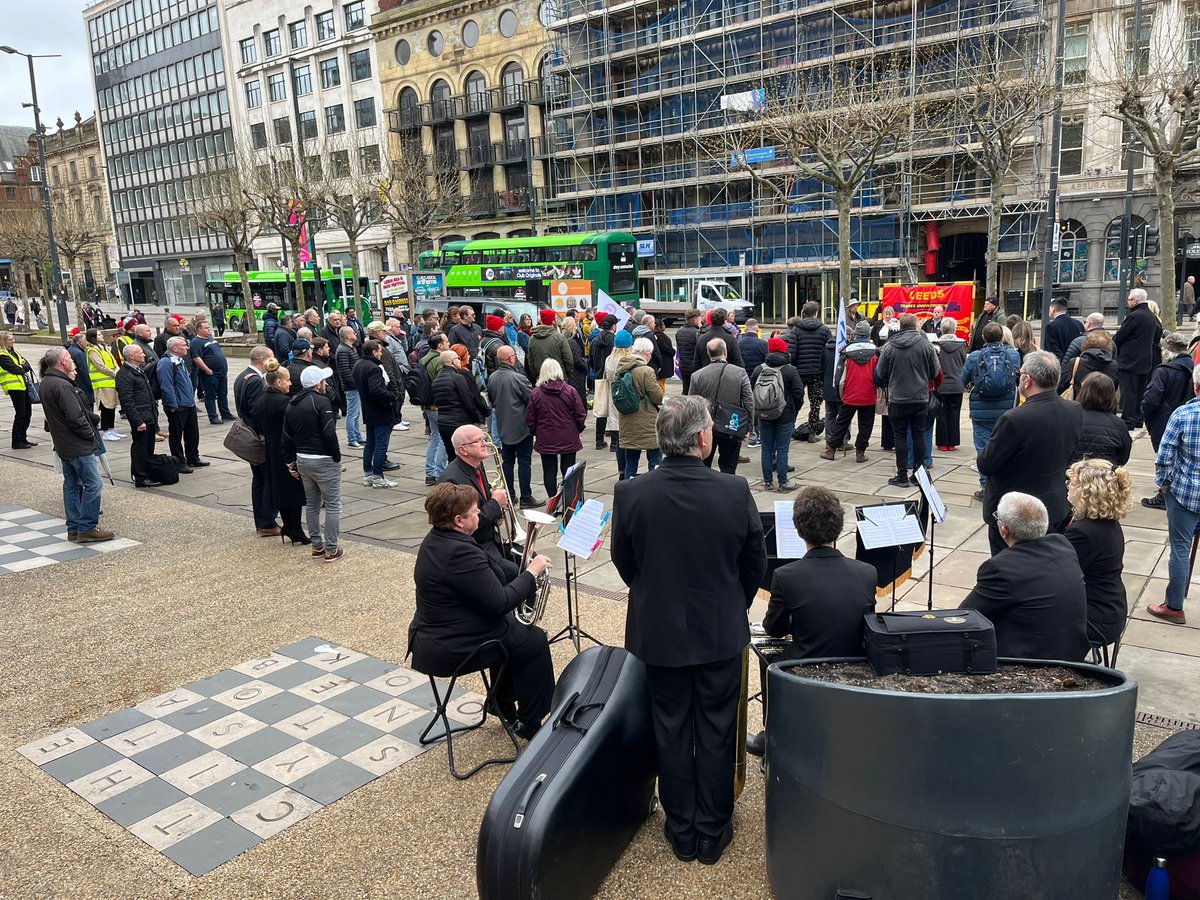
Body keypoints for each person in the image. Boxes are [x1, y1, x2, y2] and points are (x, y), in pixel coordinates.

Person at [612, 395, 767, 866]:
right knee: (718, 730)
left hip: (658, 633)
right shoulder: (734, 490)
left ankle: (681, 829)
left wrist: (655, 598)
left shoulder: (631, 492)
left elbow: (626, 561)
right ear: (703, 439)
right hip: (718, 630)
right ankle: (712, 831)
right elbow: (754, 564)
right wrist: (728, 606)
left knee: (671, 727)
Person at [409, 483, 554, 741]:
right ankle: (532, 723)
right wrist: (532, 572)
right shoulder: (460, 553)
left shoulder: (435, 540)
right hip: (451, 647)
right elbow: (499, 603)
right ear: (458, 520)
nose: (480, 515)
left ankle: (501, 703)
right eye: (475, 512)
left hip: (436, 635)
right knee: (534, 641)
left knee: (513, 631)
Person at [959, 492, 1088, 660]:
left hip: (1032, 663)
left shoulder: (1000, 568)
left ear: (1004, 530)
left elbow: (965, 616)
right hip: (1073, 651)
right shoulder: (1063, 544)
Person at [977, 351, 1083, 555]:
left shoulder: (1014, 419)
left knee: (1010, 570)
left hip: (1017, 513)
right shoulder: (1074, 409)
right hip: (1055, 506)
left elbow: (987, 464)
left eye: (1020, 373)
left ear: (1028, 381)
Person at [39, 347, 112, 542]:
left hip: (64, 444)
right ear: (63, 361)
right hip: (77, 444)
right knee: (93, 484)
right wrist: (91, 437)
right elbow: (75, 417)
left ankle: (74, 528)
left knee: (71, 484)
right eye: (70, 358)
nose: (73, 361)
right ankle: (87, 527)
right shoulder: (62, 385)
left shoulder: (47, 382)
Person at [1149, 364, 1200, 625]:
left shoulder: (1184, 414)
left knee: (1180, 549)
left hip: (1186, 493)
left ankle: (1174, 606)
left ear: (1196, 385)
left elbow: (1165, 455)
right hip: (1186, 492)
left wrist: (1164, 484)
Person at [1065, 459, 1131, 649]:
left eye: (1073, 483)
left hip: (1096, 619)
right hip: (1110, 609)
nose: (1068, 486)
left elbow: (1058, 573)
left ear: (1088, 491)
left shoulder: (1085, 532)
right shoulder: (1107, 523)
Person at [282, 365, 344, 561]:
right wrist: (336, 455)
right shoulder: (321, 402)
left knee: (312, 504)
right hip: (323, 458)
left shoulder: (292, 403)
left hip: (303, 458)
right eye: (324, 381)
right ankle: (331, 547)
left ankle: (317, 545)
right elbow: (328, 432)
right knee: (333, 504)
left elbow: (286, 436)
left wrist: (290, 461)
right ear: (318, 384)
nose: (326, 383)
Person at [438, 423, 515, 577]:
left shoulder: (476, 466)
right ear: (462, 450)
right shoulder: (453, 479)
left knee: (530, 558)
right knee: (521, 574)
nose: (484, 443)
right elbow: (464, 524)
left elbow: (482, 504)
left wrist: (497, 513)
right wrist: (495, 504)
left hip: (490, 539)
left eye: (484, 438)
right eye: (477, 441)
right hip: (476, 546)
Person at [875, 314, 941, 488]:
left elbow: (880, 372)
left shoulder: (890, 346)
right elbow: (935, 371)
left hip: (897, 398)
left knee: (900, 437)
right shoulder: (926, 345)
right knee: (919, 435)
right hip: (920, 397)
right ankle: (918, 475)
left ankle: (902, 476)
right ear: (915, 326)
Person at [961, 322, 1021, 501]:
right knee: (1005, 447)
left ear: (983, 337)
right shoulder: (1013, 355)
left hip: (981, 410)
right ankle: (1004, 484)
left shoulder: (975, 357)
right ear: (1002, 336)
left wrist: (972, 383)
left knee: (983, 449)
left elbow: (962, 379)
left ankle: (986, 487)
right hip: (1006, 410)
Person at [257, 361, 308, 545]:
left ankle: (289, 526)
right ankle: (295, 528)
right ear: (278, 382)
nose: (290, 383)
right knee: (293, 490)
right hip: (285, 450)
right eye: (287, 380)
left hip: (271, 449)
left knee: (281, 489)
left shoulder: (262, 400)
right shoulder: (285, 403)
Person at [1142, 333, 1196, 508]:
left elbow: (1151, 399)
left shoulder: (1164, 371)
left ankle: (1164, 493)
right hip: (1191, 418)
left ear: (1168, 349)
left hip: (1164, 420)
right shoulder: (1194, 368)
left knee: (1166, 456)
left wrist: (1147, 415)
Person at [684, 337, 752, 475]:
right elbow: (749, 401)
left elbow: (692, 404)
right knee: (729, 466)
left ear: (709, 354)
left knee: (703, 465)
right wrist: (748, 427)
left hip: (705, 426)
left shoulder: (697, 375)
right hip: (732, 424)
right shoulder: (739, 373)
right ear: (725, 351)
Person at [234, 345, 281, 536]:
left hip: (255, 435)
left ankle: (263, 521)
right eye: (271, 357)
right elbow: (256, 411)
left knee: (260, 480)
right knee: (266, 480)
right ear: (262, 360)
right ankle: (267, 522)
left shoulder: (243, 376)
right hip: (260, 439)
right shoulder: (254, 381)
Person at [525, 358, 587, 501]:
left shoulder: (536, 393)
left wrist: (536, 432)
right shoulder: (570, 391)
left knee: (549, 470)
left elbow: (530, 418)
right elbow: (580, 413)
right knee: (569, 469)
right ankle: (569, 500)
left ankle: (553, 501)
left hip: (546, 436)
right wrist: (576, 429)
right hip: (568, 435)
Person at [488, 345, 539, 508]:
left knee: (507, 462)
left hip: (503, 425)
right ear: (511, 358)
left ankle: (510, 494)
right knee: (524, 461)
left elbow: (492, 399)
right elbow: (532, 400)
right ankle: (526, 496)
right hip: (521, 427)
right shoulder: (518, 378)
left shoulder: (493, 377)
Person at [751, 337, 805, 490]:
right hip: (785, 415)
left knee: (766, 449)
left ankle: (767, 482)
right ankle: (783, 482)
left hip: (763, 414)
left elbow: (751, 391)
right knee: (782, 449)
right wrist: (794, 410)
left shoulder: (759, 369)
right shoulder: (790, 370)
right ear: (784, 351)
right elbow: (798, 393)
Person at [824, 321, 878, 463]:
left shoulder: (846, 351)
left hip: (850, 393)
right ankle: (860, 453)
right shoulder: (875, 351)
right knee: (866, 425)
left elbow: (839, 375)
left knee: (841, 422)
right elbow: (879, 375)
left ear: (855, 334)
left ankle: (831, 450)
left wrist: (838, 392)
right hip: (868, 394)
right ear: (868, 334)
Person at [1113, 287, 1163, 429]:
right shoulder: (1150, 316)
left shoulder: (1134, 316)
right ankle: (1137, 418)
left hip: (1130, 360)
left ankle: (1128, 420)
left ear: (1135, 301)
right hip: (1145, 360)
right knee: (1140, 391)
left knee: (1129, 392)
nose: (1128, 302)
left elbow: (1119, 337)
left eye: (1129, 299)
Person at [616, 336, 665, 478]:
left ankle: (628, 490)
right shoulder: (646, 371)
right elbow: (657, 397)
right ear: (647, 353)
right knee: (655, 462)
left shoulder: (622, 368)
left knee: (630, 463)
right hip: (647, 421)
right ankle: (653, 492)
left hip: (627, 419)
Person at [157, 336, 208, 473]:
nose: (187, 347)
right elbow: (166, 386)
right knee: (176, 435)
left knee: (192, 432)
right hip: (178, 406)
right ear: (174, 348)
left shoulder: (180, 360)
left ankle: (193, 457)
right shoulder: (166, 363)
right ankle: (179, 461)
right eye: (183, 346)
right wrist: (174, 405)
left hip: (188, 403)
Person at [354, 339, 400, 488]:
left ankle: (368, 474)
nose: (381, 353)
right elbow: (376, 390)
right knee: (381, 445)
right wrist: (392, 396)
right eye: (379, 351)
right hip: (380, 411)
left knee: (371, 443)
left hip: (369, 410)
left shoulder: (359, 365)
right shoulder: (374, 367)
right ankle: (378, 477)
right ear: (374, 352)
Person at [114, 344, 160, 487]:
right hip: (141, 418)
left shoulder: (138, 370)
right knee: (140, 448)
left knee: (148, 447)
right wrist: (138, 421)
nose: (144, 355)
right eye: (140, 353)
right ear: (132, 356)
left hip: (149, 415)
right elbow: (127, 401)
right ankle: (140, 477)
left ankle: (147, 472)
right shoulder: (125, 375)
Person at [432, 348, 490, 457]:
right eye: (458, 358)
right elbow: (468, 401)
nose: (459, 360)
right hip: (459, 422)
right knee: (467, 456)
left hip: (443, 423)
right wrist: (476, 419)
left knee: (452, 456)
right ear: (453, 361)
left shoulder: (437, 379)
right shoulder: (457, 378)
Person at [789, 302, 831, 438]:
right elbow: (828, 351)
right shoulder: (824, 330)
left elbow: (792, 354)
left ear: (803, 312)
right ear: (817, 313)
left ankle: (789, 427)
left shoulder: (796, 330)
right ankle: (812, 431)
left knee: (795, 400)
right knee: (815, 402)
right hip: (818, 372)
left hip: (800, 372)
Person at [1072, 373, 1132, 466]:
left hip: (1071, 474)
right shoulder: (1118, 424)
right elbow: (1123, 456)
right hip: (1103, 476)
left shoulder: (1070, 417)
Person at [189, 320, 233, 425]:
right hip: (209, 374)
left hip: (221, 372)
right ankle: (213, 417)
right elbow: (196, 357)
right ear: (199, 329)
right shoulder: (196, 342)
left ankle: (225, 414)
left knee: (223, 394)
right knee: (210, 395)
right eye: (206, 328)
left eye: (209, 327)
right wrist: (207, 370)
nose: (208, 330)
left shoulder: (211, 338)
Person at [420, 333, 450, 485]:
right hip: (438, 406)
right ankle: (439, 473)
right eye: (446, 341)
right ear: (440, 345)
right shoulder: (439, 360)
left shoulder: (424, 358)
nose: (448, 343)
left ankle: (430, 472)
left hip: (427, 405)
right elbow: (443, 383)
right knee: (444, 440)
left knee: (434, 438)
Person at [934, 317, 967, 451]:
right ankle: (952, 443)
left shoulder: (936, 345)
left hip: (941, 384)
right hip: (956, 383)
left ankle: (942, 443)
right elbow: (964, 362)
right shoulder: (962, 345)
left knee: (941, 414)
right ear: (954, 328)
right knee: (954, 413)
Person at [605, 330, 634, 474]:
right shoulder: (630, 362)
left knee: (618, 441)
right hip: (628, 402)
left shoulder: (609, 359)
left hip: (614, 400)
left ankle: (621, 471)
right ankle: (628, 470)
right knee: (629, 441)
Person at [85, 328, 122, 441]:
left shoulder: (104, 348)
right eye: (99, 334)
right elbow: (100, 366)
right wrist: (114, 373)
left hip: (111, 382)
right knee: (106, 407)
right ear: (93, 337)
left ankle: (111, 429)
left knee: (112, 406)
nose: (102, 336)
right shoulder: (92, 350)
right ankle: (106, 431)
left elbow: (113, 362)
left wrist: (117, 370)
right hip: (102, 384)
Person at [0, 332, 35, 449]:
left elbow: (27, 365)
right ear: (3, 341)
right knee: (21, 414)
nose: (13, 341)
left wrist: (22, 366)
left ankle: (23, 438)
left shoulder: (13, 352)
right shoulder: (2, 355)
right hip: (14, 387)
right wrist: (21, 366)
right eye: (10, 339)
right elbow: (16, 369)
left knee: (28, 413)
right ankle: (17, 441)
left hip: (22, 385)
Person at [1061, 330, 1120, 399]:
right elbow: (1114, 387)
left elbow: (1062, 385)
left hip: (1078, 405)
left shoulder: (1075, 363)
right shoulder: (1113, 366)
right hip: (1104, 406)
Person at [589, 313, 617, 448]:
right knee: (613, 408)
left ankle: (599, 440)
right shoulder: (614, 340)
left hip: (599, 377)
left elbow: (591, 361)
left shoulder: (595, 340)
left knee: (601, 409)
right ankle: (615, 443)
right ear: (613, 326)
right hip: (611, 377)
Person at [526, 308, 573, 383]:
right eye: (555, 318)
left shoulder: (532, 339)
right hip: (559, 378)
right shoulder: (559, 337)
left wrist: (537, 375)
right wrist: (567, 375)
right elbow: (569, 360)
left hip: (541, 378)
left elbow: (531, 361)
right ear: (553, 321)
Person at [692, 308, 743, 373]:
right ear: (724, 321)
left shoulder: (701, 339)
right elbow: (738, 362)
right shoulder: (731, 339)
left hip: (706, 377)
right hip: (726, 377)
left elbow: (696, 363)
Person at [561, 314, 591, 401]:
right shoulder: (571, 342)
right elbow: (577, 360)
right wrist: (585, 367)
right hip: (576, 376)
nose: (576, 327)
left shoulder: (564, 340)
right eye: (574, 325)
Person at [676, 309, 702, 395]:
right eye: (699, 319)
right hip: (694, 366)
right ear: (694, 320)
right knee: (695, 391)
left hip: (683, 365)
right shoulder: (696, 333)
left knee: (685, 389)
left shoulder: (679, 332)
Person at [67, 329, 95, 411]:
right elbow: (84, 370)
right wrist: (91, 385)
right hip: (83, 386)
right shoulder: (79, 353)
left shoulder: (71, 350)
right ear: (80, 342)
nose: (87, 343)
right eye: (85, 341)